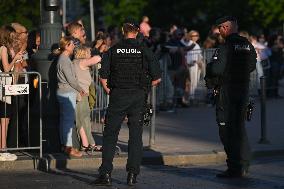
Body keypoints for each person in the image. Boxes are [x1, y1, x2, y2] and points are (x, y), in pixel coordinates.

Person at [93, 18, 161, 186]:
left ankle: (106, 174)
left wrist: (110, 90)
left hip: (118, 95)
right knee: (135, 136)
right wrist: (143, 88)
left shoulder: (113, 50)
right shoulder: (144, 50)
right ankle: (132, 175)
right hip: (138, 96)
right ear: (137, 31)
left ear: (123, 31)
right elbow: (157, 78)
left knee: (110, 135)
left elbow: (103, 75)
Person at [204, 16, 256, 178]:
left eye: (220, 28)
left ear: (225, 28)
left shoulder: (226, 46)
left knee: (226, 130)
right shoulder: (247, 45)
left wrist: (210, 66)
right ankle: (245, 164)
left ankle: (235, 166)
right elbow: (252, 65)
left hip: (227, 93)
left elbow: (217, 69)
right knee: (239, 128)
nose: (219, 32)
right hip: (243, 90)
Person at [55, 36, 86, 158]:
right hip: (67, 92)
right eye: (72, 45)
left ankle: (65, 145)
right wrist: (80, 89)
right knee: (68, 121)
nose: (74, 47)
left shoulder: (62, 59)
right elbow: (71, 79)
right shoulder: (65, 60)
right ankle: (68, 148)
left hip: (63, 91)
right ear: (67, 46)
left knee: (64, 120)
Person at [73, 45, 102, 152]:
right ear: (83, 53)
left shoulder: (75, 63)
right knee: (81, 120)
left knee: (84, 121)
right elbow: (97, 59)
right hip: (80, 96)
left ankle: (91, 143)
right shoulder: (81, 62)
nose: (90, 54)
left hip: (81, 95)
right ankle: (85, 144)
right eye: (89, 52)